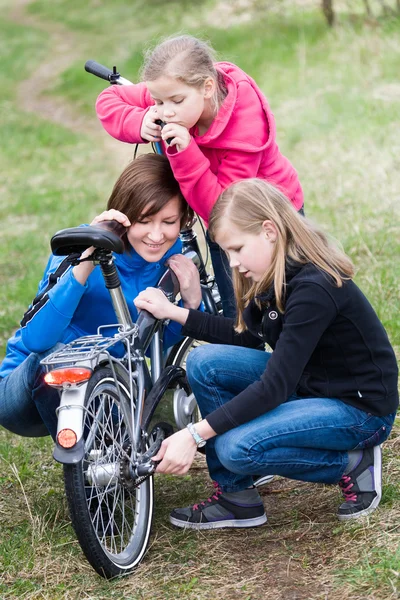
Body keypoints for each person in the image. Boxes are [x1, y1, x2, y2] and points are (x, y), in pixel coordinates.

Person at [134, 178, 399, 528]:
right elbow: (245, 337)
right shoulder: (270, 272)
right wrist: (177, 313)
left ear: (269, 231)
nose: (233, 262)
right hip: (310, 384)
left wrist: (194, 434)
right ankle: (237, 497)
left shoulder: (314, 287)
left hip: (356, 409)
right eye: (226, 252)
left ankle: (353, 462)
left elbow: (274, 387)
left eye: (237, 249)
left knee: (236, 448)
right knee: (203, 362)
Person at [95, 34, 304, 318]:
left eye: (176, 101)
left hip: (270, 217)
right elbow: (110, 99)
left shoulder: (244, 130)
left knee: (286, 302)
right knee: (239, 318)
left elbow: (220, 211)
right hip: (220, 223)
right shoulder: (172, 91)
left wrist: (185, 152)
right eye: (158, 101)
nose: (166, 112)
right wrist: (139, 120)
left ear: (207, 87)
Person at [0, 153, 201, 441]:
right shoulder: (80, 245)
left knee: (133, 384)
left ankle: (113, 454)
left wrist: (192, 302)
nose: (157, 235)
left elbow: (154, 341)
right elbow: (37, 341)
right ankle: (107, 447)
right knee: (53, 358)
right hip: (30, 388)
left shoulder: (168, 256)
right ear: (125, 216)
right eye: (145, 221)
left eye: (168, 221)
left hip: (103, 387)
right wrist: (85, 262)